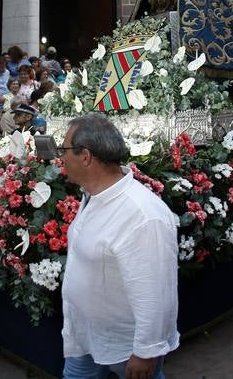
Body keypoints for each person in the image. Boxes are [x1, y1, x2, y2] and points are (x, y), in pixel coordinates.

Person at [59, 114, 179, 379]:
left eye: (64, 150)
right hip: (84, 336)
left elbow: (156, 291)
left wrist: (146, 352)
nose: (61, 158)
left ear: (86, 156)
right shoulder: (92, 195)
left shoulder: (142, 214)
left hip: (125, 349)